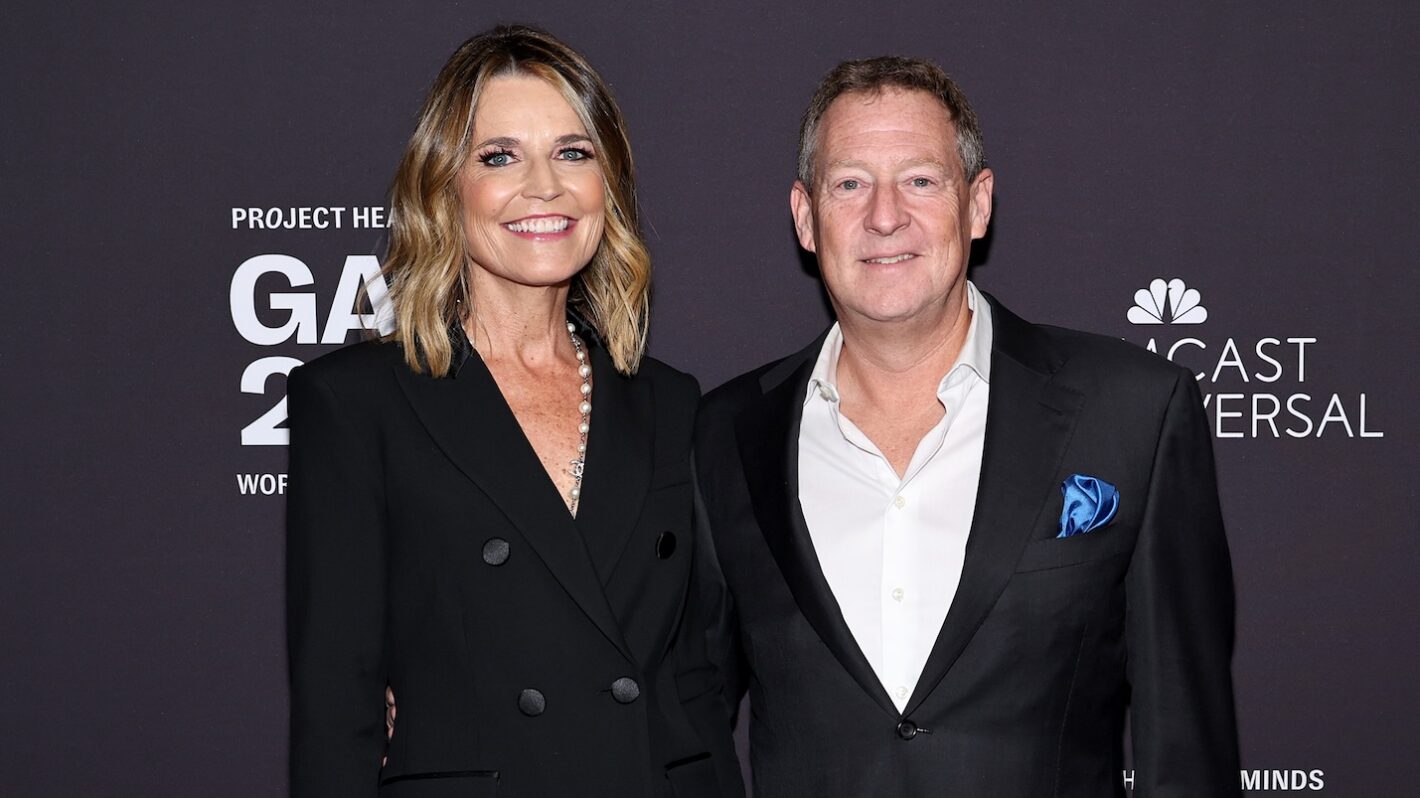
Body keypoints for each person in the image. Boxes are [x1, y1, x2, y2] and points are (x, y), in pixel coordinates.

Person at [692, 56, 1242, 796]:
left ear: (977, 204)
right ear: (805, 216)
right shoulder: (724, 435)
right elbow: (692, 729)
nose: (885, 216)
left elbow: (1187, 752)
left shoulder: (1132, 412)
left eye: (921, 180)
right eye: (850, 183)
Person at [286, 25, 742, 798]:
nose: (545, 187)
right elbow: (335, 713)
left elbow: (696, 682)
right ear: (444, 186)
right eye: (499, 156)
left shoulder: (670, 402)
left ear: (609, 184)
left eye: (573, 152)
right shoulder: (356, 402)